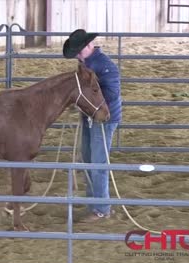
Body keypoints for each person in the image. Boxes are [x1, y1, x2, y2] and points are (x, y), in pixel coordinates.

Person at [62, 29, 122, 222]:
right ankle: (94, 205)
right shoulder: (85, 63)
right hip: (89, 117)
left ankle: (101, 209)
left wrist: (86, 101)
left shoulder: (105, 66)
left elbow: (112, 94)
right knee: (89, 160)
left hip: (103, 118)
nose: (78, 55)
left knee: (98, 164)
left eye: (80, 51)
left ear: (89, 46)